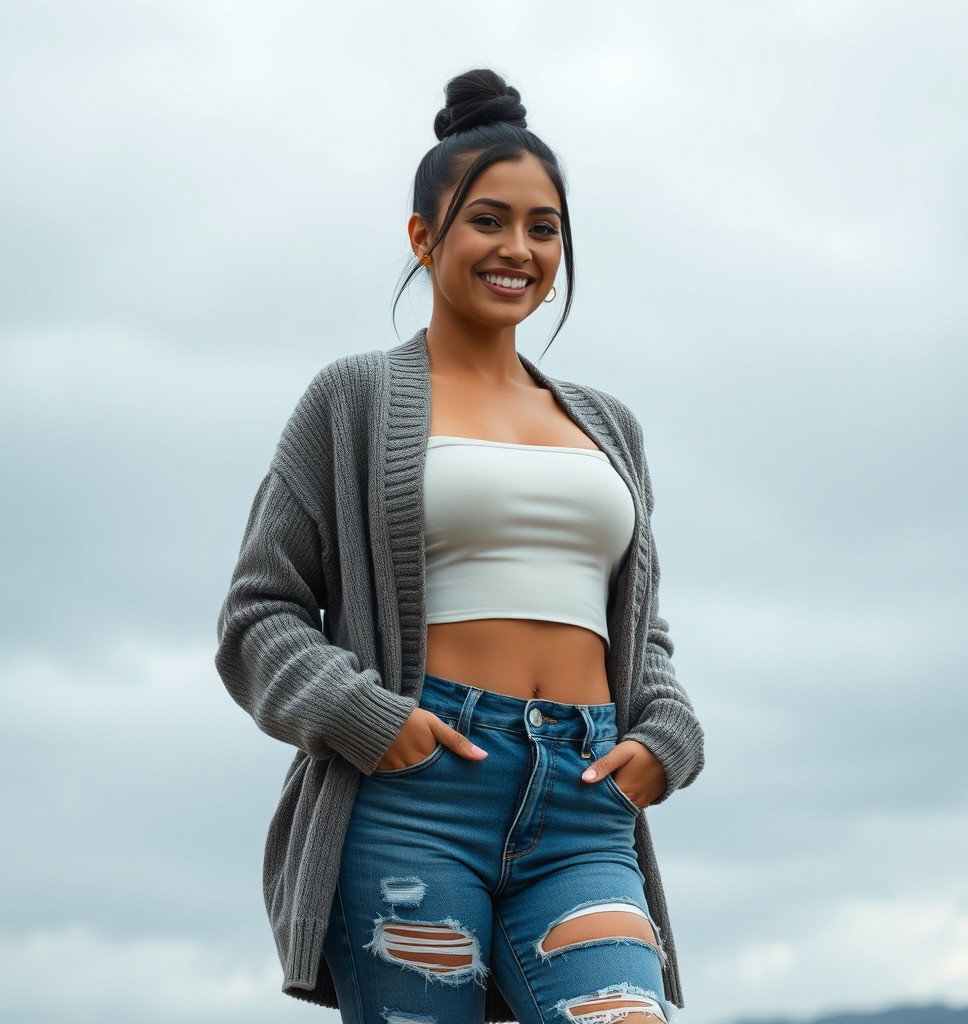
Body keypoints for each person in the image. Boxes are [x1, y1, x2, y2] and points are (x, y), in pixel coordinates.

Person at [214, 67, 705, 1024]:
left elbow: (640, 631)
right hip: (417, 796)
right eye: (487, 220)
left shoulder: (609, 425)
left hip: (585, 799)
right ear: (423, 235)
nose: (517, 248)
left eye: (543, 227)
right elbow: (258, 614)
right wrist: (368, 719)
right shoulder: (350, 400)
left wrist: (667, 737)